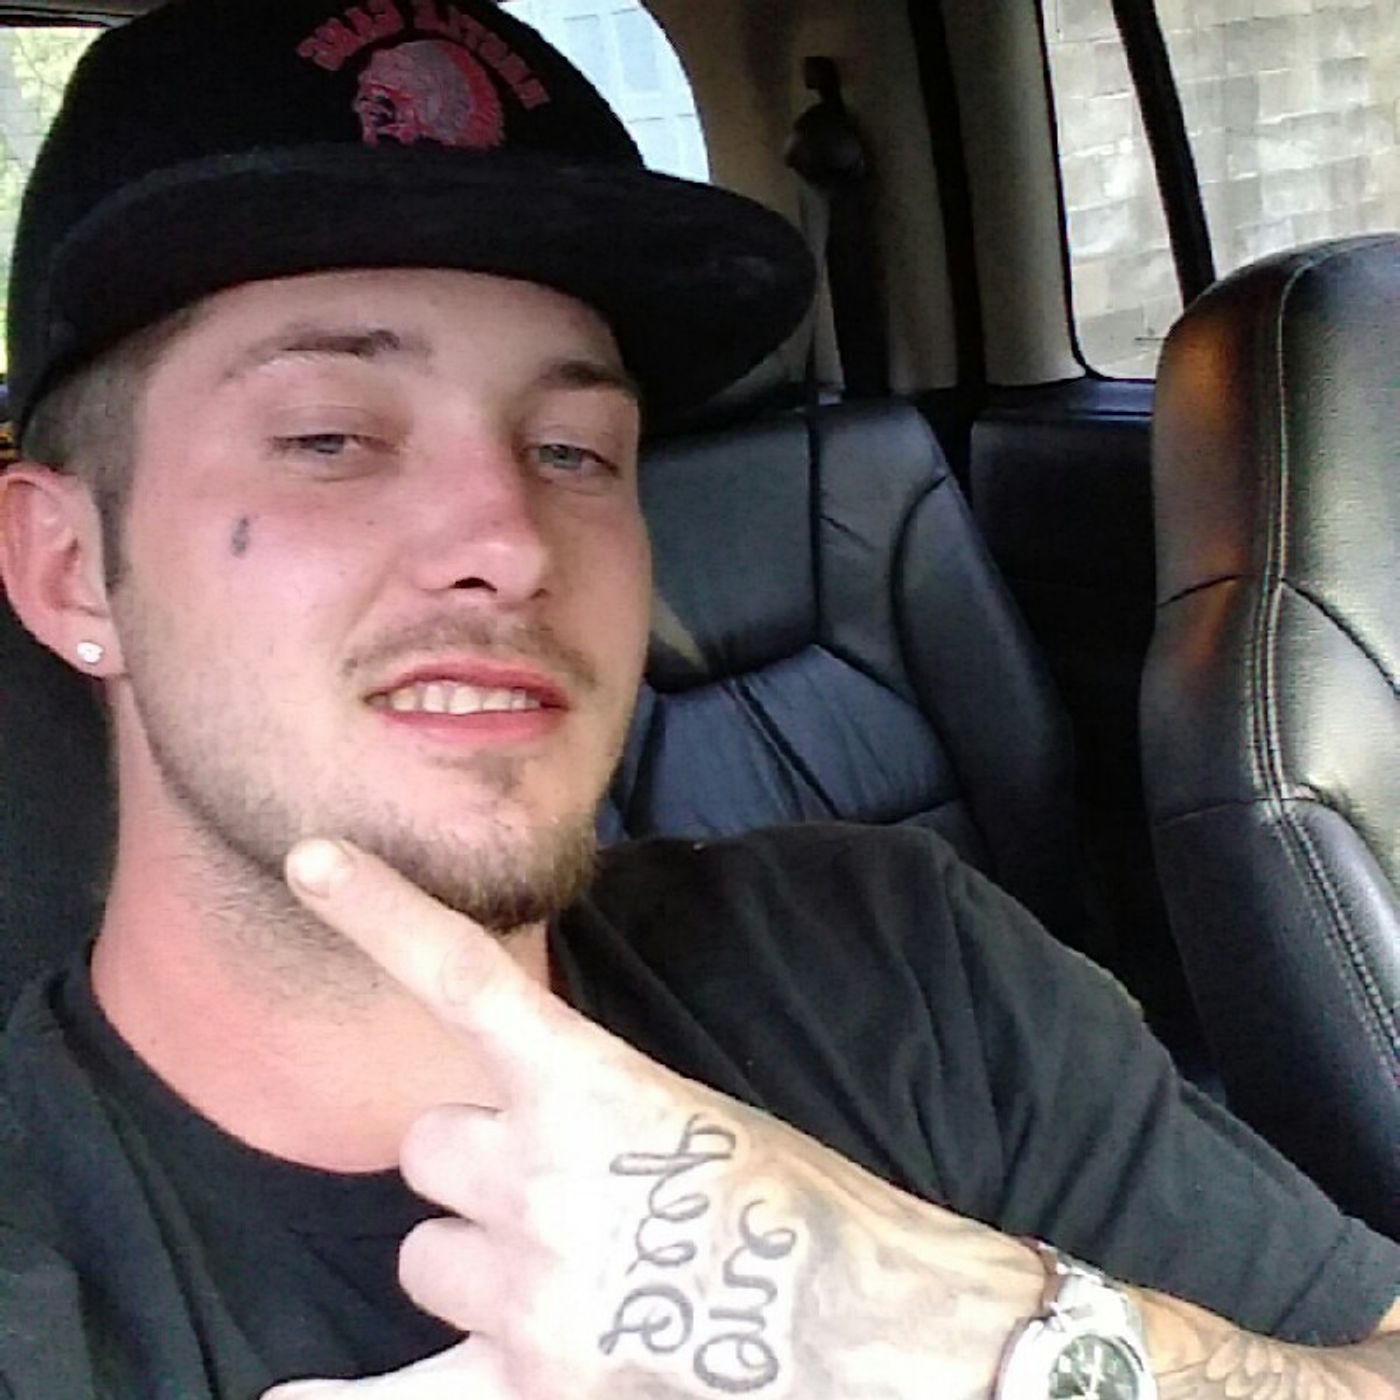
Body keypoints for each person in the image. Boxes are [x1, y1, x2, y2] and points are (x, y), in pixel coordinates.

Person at [0, 1, 1396, 1397]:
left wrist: (1002, 1351)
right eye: (329, 437)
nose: (511, 542)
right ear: (69, 571)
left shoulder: (898, 960)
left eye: (573, 449)